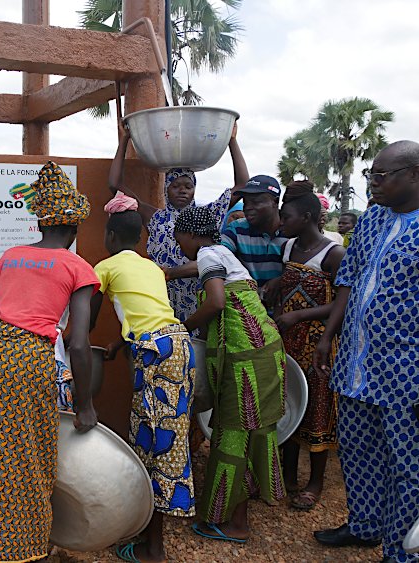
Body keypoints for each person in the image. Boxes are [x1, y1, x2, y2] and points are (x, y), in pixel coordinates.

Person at [0, 161, 99, 563]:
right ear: (74, 228)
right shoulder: (78, 266)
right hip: (29, 356)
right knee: (30, 452)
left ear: (40, 225)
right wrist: (85, 403)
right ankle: (25, 548)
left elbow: (3, 306)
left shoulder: (11, 255)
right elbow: (78, 344)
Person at [313, 140, 419, 563]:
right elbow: (350, 280)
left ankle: (401, 551)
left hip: (405, 369)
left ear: (413, 174)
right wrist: (327, 335)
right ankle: (364, 526)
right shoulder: (373, 218)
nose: (372, 183)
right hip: (357, 361)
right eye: (370, 175)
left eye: (382, 175)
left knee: (406, 465)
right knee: (356, 449)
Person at [90, 193, 194, 563]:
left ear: (110, 235)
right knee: (171, 435)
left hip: (154, 353)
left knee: (154, 441)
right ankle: (150, 531)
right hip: (179, 345)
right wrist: (121, 342)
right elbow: (146, 310)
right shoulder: (151, 268)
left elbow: (85, 319)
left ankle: (155, 548)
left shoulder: (105, 267)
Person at [174, 206, 286, 544]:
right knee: (252, 434)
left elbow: (217, 302)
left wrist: (183, 326)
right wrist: (167, 272)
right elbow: (201, 268)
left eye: (179, 237)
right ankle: (240, 512)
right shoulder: (222, 250)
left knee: (231, 437)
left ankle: (232, 522)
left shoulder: (208, 254)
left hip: (243, 361)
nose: (178, 243)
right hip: (265, 351)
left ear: (190, 235)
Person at [108, 121, 248, 324]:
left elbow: (243, 185)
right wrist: (124, 140)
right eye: (176, 186)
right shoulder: (154, 217)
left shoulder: (207, 215)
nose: (183, 191)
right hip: (162, 300)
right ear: (166, 188)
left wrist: (232, 141)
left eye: (188, 186)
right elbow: (115, 185)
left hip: (200, 302)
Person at [274, 191, 345, 510]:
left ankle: (314, 483)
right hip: (289, 340)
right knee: (290, 402)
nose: (281, 222)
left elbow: (343, 300)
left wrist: (302, 317)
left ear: (305, 218)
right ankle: (288, 475)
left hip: (318, 342)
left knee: (317, 406)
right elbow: (288, 282)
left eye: (286, 217)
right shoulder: (288, 247)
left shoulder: (334, 253)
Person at [221, 175, 287, 307]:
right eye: (246, 202)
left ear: (275, 202)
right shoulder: (237, 229)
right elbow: (217, 256)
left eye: (256, 202)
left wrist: (282, 280)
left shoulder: (292, 231)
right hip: (248, 314)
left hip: (286, 314)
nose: (248, 208)